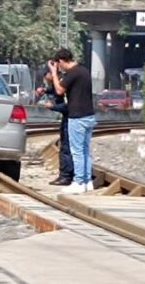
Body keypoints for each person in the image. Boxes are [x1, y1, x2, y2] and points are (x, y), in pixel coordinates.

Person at [48, 48, 94, 194]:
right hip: (89, 115)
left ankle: (79, 182)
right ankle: (88, 181)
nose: (59, 67)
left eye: (58, 64)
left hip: (77, 117)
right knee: (85, 150)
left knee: (77, 151)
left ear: (61, 61)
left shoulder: (73, 73)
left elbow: (59, 90)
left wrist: (54, 74)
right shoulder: (84, 70)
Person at [38, 69, 74, 186]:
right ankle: (69, 174)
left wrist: (52, 107)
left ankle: (66, 176)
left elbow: (68, 105)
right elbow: (56, 91)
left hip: (71, 118)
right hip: (68, 117)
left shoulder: (65, 84)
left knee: (66, 148)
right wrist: (45, 90)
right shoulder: (59, 84)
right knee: (66, 146)